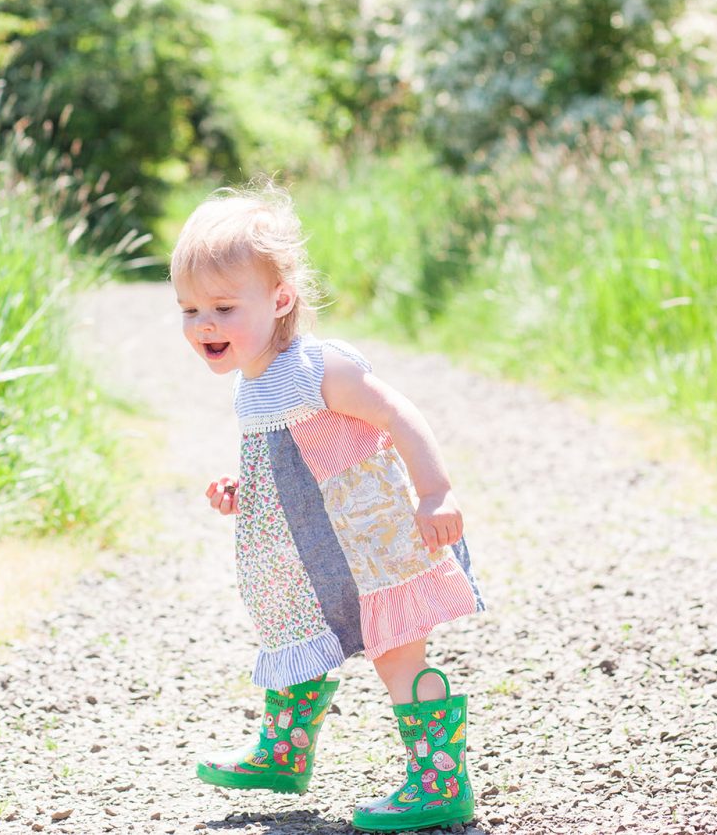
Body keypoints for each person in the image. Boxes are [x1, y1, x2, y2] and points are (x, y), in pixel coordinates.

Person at [170, 181, 485, 832]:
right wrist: (242, 489)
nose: (204, 324)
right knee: (295, 633)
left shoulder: (318, 368)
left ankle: (438, 780)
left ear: (280, 299)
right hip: (305, 557)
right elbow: (286, 462)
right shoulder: (251, 386)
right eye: (189, 309)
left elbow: (397, 413)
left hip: (369, 546)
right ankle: (282, 753)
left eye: (224, 307)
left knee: (397, 653)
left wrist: (436, 491)